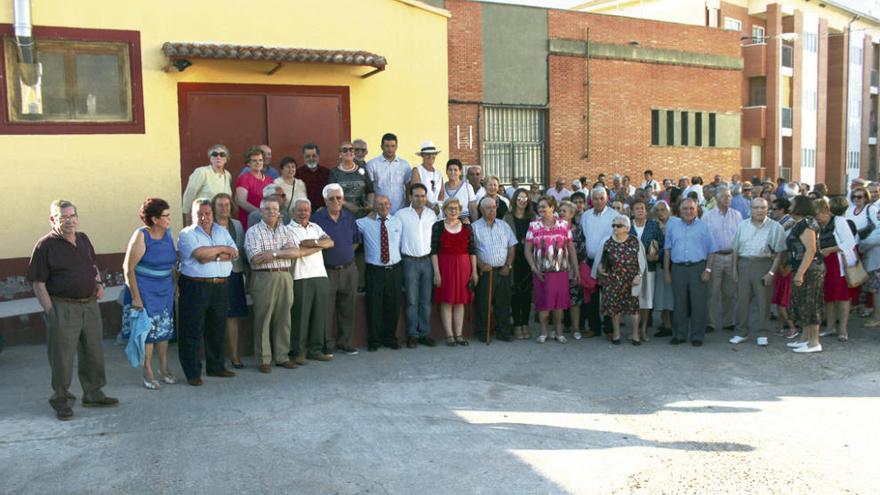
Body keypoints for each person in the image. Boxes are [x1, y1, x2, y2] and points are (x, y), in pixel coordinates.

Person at [27, 200, 118, 420]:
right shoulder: (45, 245)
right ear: (53, 220)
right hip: (62, 306)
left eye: (72, 216)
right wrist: (51, 312)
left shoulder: (84, 239)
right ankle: (62, 401)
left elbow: (92, 265)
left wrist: (99, 284)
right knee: (62, 358)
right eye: (63, 217)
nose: (69, 221)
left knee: (94, 353)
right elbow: (38, 283)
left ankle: (93, 394)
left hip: (89, 305)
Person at [177, 199, 239, 385]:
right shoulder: (186, 234)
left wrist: (211, 255)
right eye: (199, 214)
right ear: (191, 215)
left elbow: (234, 253)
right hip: (195, 286)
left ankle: (217, 367)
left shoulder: (222, 231)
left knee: (217, 328)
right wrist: (222, 250)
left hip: (220, 285)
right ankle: (192, 373)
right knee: (192, 330)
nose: (204, 217)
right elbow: (199, 255)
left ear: (212, 214)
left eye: (207, 213)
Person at [120, 198, 177, 390]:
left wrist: (175, 285)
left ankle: (163, 368)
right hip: (144, 289)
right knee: (147, 332)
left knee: (163, 331)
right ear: (154, 219)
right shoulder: (141, 236)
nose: (169, 219)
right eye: (165, 216)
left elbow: (172, 264)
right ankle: (148, 372)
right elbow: (128, 269)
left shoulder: (168, 234)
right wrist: (136, 297)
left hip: (165, 289)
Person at [244, 197, 299, 373]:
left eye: (275, 209)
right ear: (261, 212)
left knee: (284, 318)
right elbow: (256, 257)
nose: (271, 212)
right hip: (263, 278)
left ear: (279, 212)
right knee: (263, 318)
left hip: (284, 275)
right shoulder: (253, 232)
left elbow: (295, 252)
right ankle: (264, 358)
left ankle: (282, 356)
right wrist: (283, 252)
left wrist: (274, 253)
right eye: (267, 209)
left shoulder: (286, 231)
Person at [728, 198, 786, 346]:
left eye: (763, 208)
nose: (759, 210)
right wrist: (734, 269)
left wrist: (771, 273)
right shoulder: (742, 225)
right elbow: (735, 249)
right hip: (744, 264)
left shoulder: (775, 227)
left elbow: (779, 253)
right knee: (742, 301)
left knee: (763, 301)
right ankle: (741, 332)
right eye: (756, 208)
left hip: (764, 264)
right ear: (751, 209)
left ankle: (763, 332)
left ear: (768, 209)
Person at [312, 184, 361, 356]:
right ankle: (327, 344)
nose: (336, 201)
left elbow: (355, 241)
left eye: (339, 198)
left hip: (349, 269)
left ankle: (345, 342)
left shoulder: (349, 217)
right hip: (327, 270)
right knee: (326, 309)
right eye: (331, 198)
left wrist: (345, 255)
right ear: (325, 200)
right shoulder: (317, 219)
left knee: (348, 307)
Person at [525, 196, 580, 343]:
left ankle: (559, 332)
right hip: (541, 272)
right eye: (540, 207)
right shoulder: (533, 225)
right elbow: (527, 250)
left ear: (552, 208)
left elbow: (571, 248)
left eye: (545, 206)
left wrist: (576, 268)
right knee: (543, 304)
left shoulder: (563, 225)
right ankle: (544, 332)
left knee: (559, 306)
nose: (541, 209)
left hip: (560, 271)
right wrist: (533, 268)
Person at [664, 198, 716, 346]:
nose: (688, 211)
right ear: (680, 210)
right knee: (679, 303)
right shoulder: (672, 226)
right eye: (685, 209)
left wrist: (708, 269)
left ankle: (697, 336)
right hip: (678, 269)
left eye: (691, 208)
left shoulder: (704, 227)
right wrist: (667, 272)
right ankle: (679, 335)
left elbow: (712, 251)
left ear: (697, 209)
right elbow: (667, 251)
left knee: (698, 303)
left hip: (698, 268)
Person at [288, 198, 335, 364]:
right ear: (293, 212)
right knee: (300, 317)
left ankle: (315, 350)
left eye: (306, 210)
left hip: (320, 275)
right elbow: (297, 252)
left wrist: (313, 243)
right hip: (300, 277)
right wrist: (319, 246)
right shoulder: (288, 230)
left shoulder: (315, 227)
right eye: (300, 210)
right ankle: (298, 352)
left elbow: (330, 242)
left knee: (319, 315)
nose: (303, 213)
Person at [357, 195, 404, 351]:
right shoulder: (364, 223)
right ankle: (374, 340)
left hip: (394, 269)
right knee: (374, 306)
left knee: (393, 305)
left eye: (385, 203)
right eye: (379, 204)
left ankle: (390, 338)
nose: (383, 206)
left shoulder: (398, 222)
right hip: (374, 271)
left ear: (390, 205)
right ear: (374, 206)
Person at [395, 183, 439, 348]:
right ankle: (412, 334)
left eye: (423, 196)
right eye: (417, 196)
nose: (420, 199)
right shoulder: (401, 215)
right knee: (412, 300)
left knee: (426, 300)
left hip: (427, 261)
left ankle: (424, 333)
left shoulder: (431, 215)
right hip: (409, 261)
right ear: (410, 197)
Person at [593, 215, 646, 345]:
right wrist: (600, 268)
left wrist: (639, 275)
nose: (615, 228)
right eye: (614, 225)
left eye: (619, 225)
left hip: (631, 280)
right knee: (614, 309)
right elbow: (601, 260)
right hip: (612, 280)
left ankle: (635, 334)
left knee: (633, 309)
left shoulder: (635, 241)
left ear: (627, 228)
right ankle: (616, 334)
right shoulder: (607, 241)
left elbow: (642, 261)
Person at [432, 198, 478, 346]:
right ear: (444, 210)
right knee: (447, 301)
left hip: (464, 268)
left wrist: (474, 272)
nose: (453, 211)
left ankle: (459, 335)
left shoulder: (467, 228)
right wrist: (437, 273)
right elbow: (434, 251)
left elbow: (472, 250)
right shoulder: (438, 226)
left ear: (459, 210)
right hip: (445, 267)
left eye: (456, 208)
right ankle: (449, 336)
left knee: (460, 302)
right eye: (450, 208)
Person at [472, 196, 517, 342]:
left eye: (494, 207)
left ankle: (503, 332)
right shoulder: (474, 227)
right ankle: (484, 332)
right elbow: (471, 251)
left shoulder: (504, 226)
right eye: (488, 208)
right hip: (486, 272)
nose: (492, 210)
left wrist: (508, 265)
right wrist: (480, 264)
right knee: (484, 303)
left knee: (503, 303)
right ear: (481, 209)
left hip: (503, 270)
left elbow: (512, 246)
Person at [786, 196, 826, 353]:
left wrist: (800, 273)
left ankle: (814, 342)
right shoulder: (800, 223)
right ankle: (805, 338)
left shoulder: (807, 224)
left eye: (792, 203)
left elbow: (811, 250)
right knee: (802, 304)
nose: (790, 206)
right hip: (802, 268)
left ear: (799, 206)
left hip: (811, 269)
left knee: (811, 304)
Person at [211, 193, 246, 369]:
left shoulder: (238, 225)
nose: (224, 208)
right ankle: (217, 357)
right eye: (220, 205)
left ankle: (235, 356)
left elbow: (241, 249)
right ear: (214, 207)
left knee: (233, 317)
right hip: (215, 275)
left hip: (235, 274)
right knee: (216, 316)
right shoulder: (209, 226)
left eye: (227, 205)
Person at [816, 197, 857, 342]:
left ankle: (843, 329)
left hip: (839, 262)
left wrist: (831, 249)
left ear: (826, 211)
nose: (817, 218)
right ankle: (830, 327)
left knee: (842, 297)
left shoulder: (839, 221)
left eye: (818, 215)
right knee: (828, 297)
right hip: (825, 263)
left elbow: (849, 242)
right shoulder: (818, 225)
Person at [703, 187, 742, 333]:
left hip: (732, 256)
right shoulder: (708, 216)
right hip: (715, 257)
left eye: (730, 196)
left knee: (730, 292)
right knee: (713, 292)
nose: (728, 199)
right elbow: (705, 239)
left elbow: (740, 237)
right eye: (725, 196)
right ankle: (710, 322)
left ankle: (728, 321)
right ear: (717, 198)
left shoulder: (737, 215)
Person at [580, 186, 616, 337]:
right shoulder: (586, 215)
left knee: (607, 296)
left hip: (607, 261)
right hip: (589, 260)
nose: (599, 201)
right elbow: (583, 236)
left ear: (607, 198)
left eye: (602, 198)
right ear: (591, 200)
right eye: (595, 198)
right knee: (591, 295)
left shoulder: (615, 215)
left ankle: (609, 329)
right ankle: (595, 327)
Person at [504, 188, 535, 340]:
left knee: (527, 294)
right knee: (515, 293)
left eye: (525, 198)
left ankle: (525, 324)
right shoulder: (507, 217)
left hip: (529, 260)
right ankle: (516, 324)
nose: (523, 200)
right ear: (515, 200)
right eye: (520, 198)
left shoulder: (533, 217)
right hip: (514, 259)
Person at [631, 200, 661, 342]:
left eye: (642, 208)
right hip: (631, 270)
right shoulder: (627, 226)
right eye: (637, 208)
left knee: (646, 301)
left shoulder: (654, 226)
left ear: (646, 211)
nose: (640, 211)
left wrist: (656, 256)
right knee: (634, 300)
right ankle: (634, 330)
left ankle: (643, 329)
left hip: (649, 268)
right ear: (632, 212)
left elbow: (661, 245)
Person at [182, 144, 232, 224]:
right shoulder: (201, 172)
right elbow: (190, 192)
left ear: (226, 159)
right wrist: (187, 214)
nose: (218, 157)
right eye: (214, 154)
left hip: (221, 219)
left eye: (222, 155)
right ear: (210, 158)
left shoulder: (228, 175)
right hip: (204, 217)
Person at [558, 201, 586, 339]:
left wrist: (577, 270)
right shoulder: (554, 228)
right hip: (557, 270)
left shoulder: (578, 230)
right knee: (559, 300)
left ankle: (576, 329)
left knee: (575, 300)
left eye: (565, 211)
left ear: (572, 214)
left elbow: (582, 250)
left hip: (574, 268)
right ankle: (560, 328)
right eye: (560, 210)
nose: (561, 213)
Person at [366, 133, 411, 214]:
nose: (390, 149)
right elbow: (369, 189)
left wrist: (407, 205)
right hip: (379, 211)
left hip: (400, 210)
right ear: (381, 147)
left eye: (393, 146)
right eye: (387, 146)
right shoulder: (372, 165)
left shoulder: (404, 165)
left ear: (396, 147)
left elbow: (408, 186)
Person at [329, 142, 375, 218]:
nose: (348, 152)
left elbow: (370, 191)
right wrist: (348, 205)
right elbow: (332, 194)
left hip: (362, 213)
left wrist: (370, 205)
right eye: (345, 150)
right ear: (340, 154)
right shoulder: (334, 172)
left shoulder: (362, 170)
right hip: (342, 214)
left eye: (351, 150)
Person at [234, 146, 274, 229]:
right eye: (254, 161)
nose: (258, 163)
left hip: (268, 222)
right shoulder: (244, 178)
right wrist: (261, 213)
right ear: (248, 163)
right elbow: (241, 202)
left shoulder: (269, 180)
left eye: (260, 160)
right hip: (250, 221)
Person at [409, 140, 445, 212]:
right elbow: (416, 193)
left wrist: (438, 207)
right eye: (427, 154)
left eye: (433, 154)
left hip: (436, 211)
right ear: (422, 155)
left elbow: (441, 194)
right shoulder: (417, 170)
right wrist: (431, 206)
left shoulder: (439, 173)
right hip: (421, 209)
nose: (431, 156)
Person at [298, 143, 330, 210]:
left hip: (323, 211)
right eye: (308, 156)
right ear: (303, 157)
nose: (311, 158)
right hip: (304, 211)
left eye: (314, 156)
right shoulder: (297, 174)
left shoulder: (327, 173)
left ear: (318, 156)